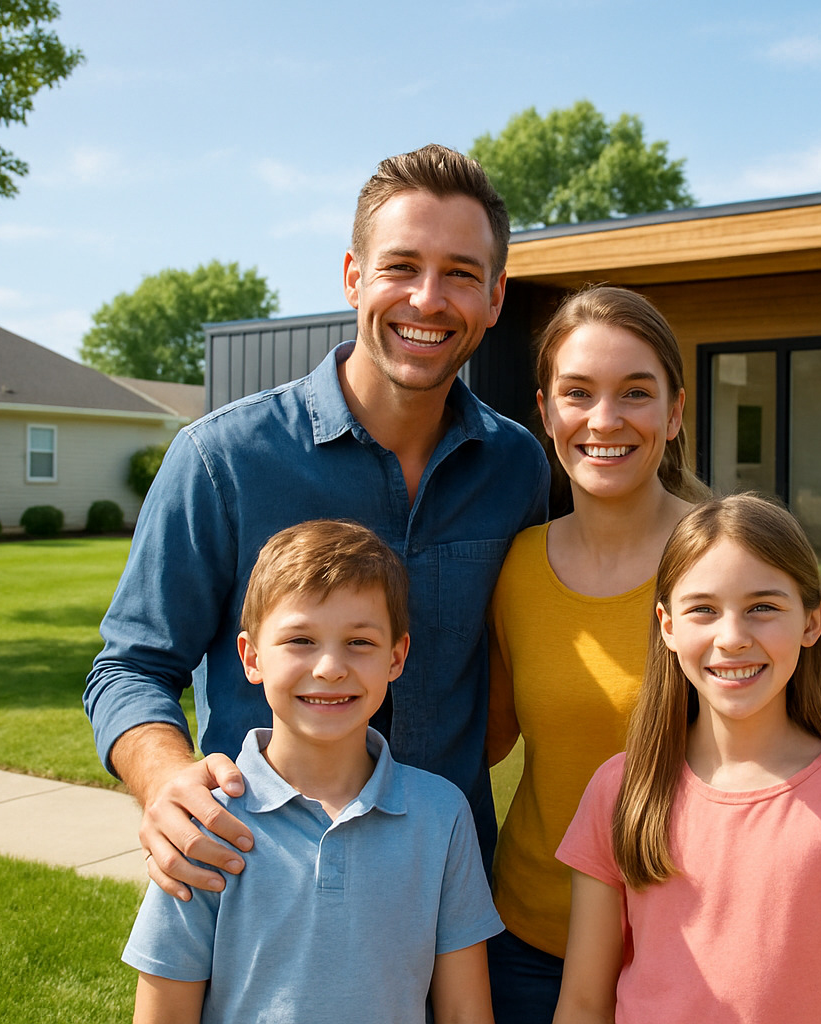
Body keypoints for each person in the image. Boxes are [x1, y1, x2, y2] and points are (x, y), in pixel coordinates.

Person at [84, 144, 550, 901]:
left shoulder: (517, 467)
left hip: (449, 896)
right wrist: (165, 777)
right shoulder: (222, 459)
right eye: (401, 266)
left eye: (461, 274)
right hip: (261, 890)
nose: (428, 299)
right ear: (353, 277)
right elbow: (130, 666)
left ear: (496, 298)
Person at [485, 287, 821, 1022]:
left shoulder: (725, 566)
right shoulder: (518, 568)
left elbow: (780, 718)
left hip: (701, 947)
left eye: (636, 392)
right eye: (578, 393)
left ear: (675, 412)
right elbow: (485, 739)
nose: (605, 419)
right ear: (547, 411)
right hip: (534, 942)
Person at [552, 494, 821, 1024]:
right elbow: (583, 1003)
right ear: (667, 626)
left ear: (812, 622)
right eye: (703, 609)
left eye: (762, 607)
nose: (731, 638)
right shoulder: (620, 791)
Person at [123, 519, 501, 1024]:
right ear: (251, 657)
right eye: (300, 640)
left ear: (396, 657)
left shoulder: (442, 815)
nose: (329, 667)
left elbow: (463, 1010)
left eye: (359, 642)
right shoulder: (207, 822)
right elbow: (165, 1013)